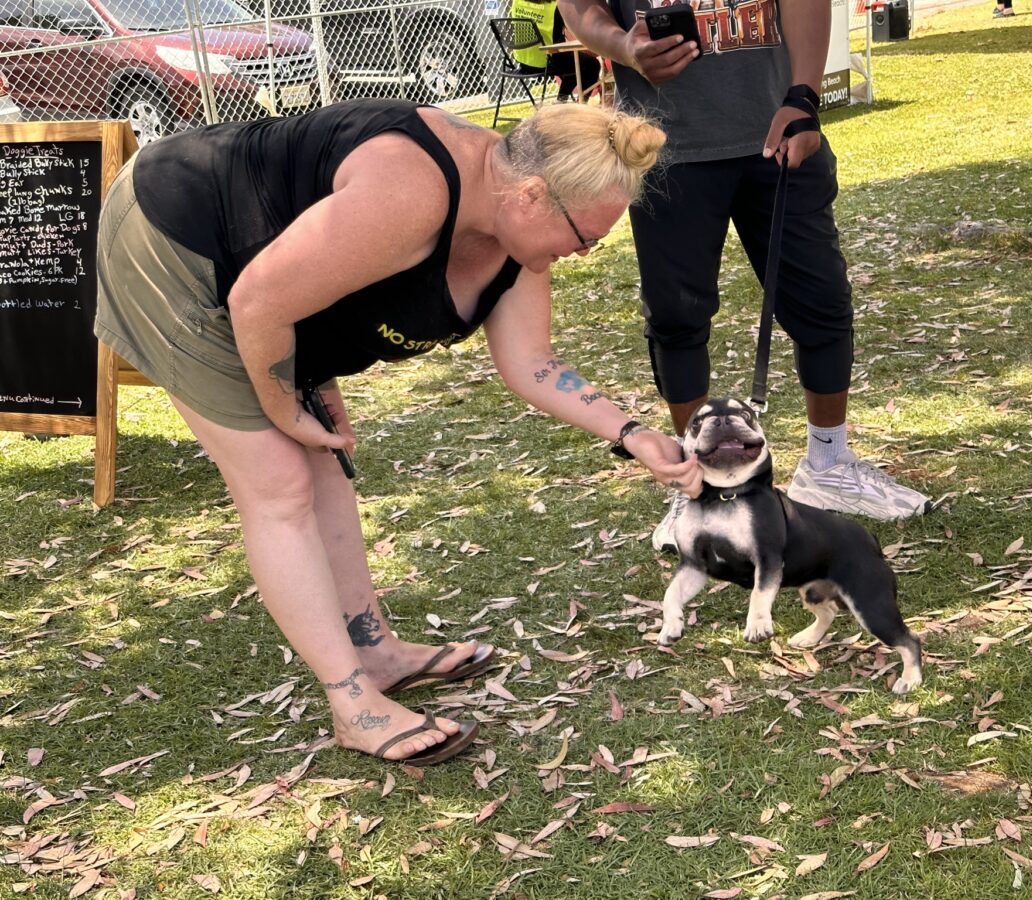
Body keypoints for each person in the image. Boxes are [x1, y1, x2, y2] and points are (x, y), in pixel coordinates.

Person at [94, 99, 700, 766]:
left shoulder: (517, 228)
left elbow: (532, 362)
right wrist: (285, 405)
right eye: (584, 236)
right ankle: (354, 707)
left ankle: (375, 653)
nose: (582, 253)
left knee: (325, 464)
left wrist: (633, 433)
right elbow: (259, 299)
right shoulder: (412, 191)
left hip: (268, 275)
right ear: (532, 194)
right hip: (176, 239)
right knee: (280, 484)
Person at [559, 0, 932, 552]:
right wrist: (625, 48)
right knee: (677, 317)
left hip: (777, 130)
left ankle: (829, 464)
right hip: (665, 147)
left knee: (822, 302)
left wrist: (804, 97)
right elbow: (579, 7)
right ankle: (697, 485)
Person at [510, 0, 603, 102]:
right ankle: (579, 104)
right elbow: (573, 31)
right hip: (547, 61)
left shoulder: (517, 2)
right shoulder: (555, 5)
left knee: (573, 62)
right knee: (592, 65)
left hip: (524, 62)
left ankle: (561, 102)